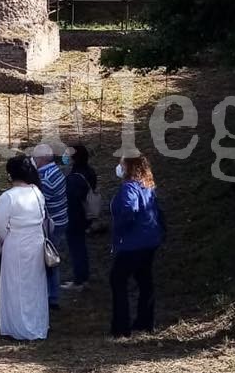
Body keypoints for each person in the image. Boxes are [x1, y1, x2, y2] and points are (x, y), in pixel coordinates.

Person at [0, 155, 49, 340]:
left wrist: (4, 239)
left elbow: (1, 226)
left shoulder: (8, 197)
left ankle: (17, 326)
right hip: (35, 241)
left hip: (16, 243)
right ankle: (36, 324)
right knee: (35, 285)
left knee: (15, 285)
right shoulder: (37, 192)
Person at [110, 154, 164, 338]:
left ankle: (121, 326)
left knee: (118, 281)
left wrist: (120, 229)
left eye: (122, 165)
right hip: (150, 240)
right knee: (144, 281)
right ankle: (145, 322)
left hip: (133, 243)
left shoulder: (129, 188)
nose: (119, 168)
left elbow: (128, 209)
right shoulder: (147, 184)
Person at [31, 143, 69, 311]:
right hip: (61, 220)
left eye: (35, 158)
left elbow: (38, 202)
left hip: (51, 225)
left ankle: (50, 296)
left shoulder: (44, 178)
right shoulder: (57, 172)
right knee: (52, 259)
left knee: (48, 260)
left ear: (41, 160)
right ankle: (52, 295)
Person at [62, 143, 98, 290]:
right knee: (81, 246)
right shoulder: (89, 171)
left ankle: (79, 280)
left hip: (75, 217)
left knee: (76, 248)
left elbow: (71, 200)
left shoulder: (74, 179)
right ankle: (83, 277)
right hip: (86, 215)